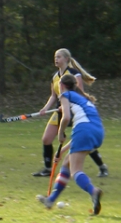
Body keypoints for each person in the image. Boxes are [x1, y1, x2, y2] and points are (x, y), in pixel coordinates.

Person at [33, 48, 108, 178]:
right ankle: (48, 168)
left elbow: (78, 92)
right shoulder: (55, 77)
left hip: (74, 110)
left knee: (83, 140)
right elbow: (53, 96)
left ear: (66, 59)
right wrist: (45, 108)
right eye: (55, 57)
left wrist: (66, 105)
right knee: (46, 139)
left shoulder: (74, 73)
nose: (56, 59)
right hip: (59, 110)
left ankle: (102, 166)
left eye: (59, 57)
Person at [36, 73, 104, 215]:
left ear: (61, 85)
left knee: (75, 171)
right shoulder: (82, 99)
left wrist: (60, 134)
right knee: (66, 162)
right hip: (97, 132)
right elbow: (82, 133)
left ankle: (94, 191)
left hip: (84, 131)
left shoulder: (65, 95)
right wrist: (62, 151)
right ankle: (51, 200)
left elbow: (66, 117)